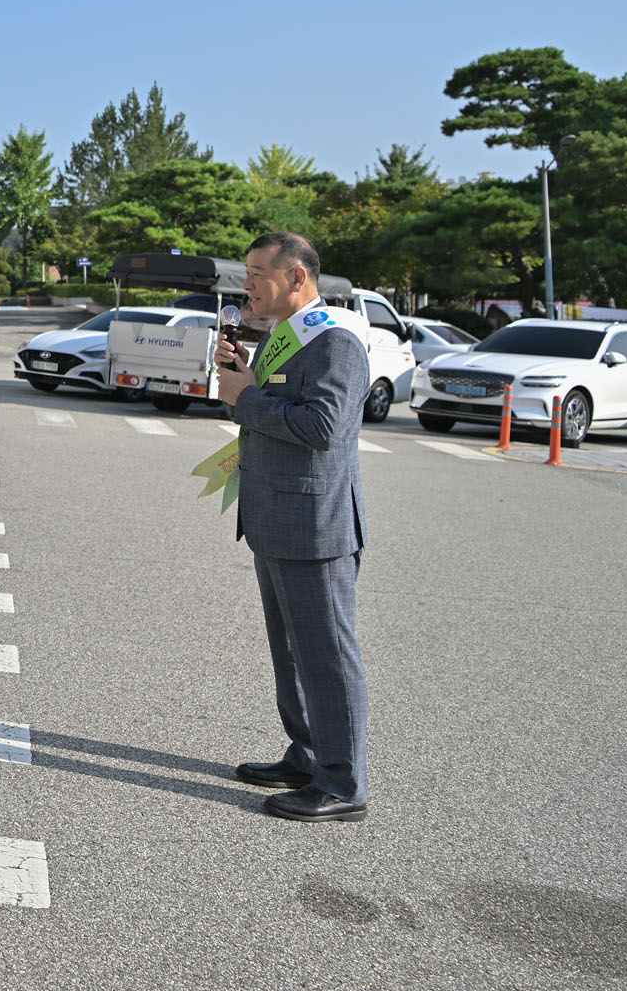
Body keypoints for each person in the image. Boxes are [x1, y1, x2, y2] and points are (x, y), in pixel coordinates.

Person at [213, 230, 372, 823]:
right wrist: (242, 378)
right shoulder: (284, 335)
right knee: (292, 651)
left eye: (258, 275)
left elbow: (324, 427)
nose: (247, 286)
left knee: (327, 655)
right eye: (247, 274)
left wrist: (246, 398)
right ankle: (307, 755)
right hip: (276, 517)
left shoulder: (336, 341)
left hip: (314, 525)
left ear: (297, 277)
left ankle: (343, 782)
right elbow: (273, 407)